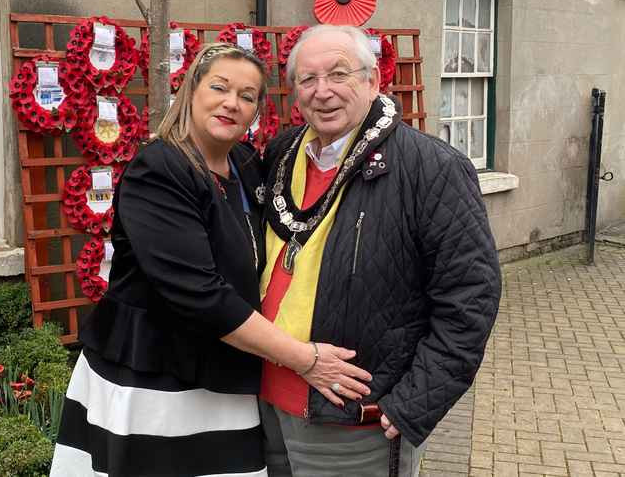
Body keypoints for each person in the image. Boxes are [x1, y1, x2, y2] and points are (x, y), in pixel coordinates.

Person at [50, 43, 372, 477]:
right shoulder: (160, 170)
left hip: (224, 374)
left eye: (247, 96)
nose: (231, 103)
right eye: (219, 87)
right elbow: (199, 294)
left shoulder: (244, 164)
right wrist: (303, 358)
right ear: (191, 91)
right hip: (155, 380)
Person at [259, 25, 501, 477]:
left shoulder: (431, 167)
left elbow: (470, 296)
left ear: (372, 81)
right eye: (307, 80)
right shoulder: (281, 154)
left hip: (352, 420)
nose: (323, 91)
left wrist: (414, 403)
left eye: (339, 74)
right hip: (265, 405)